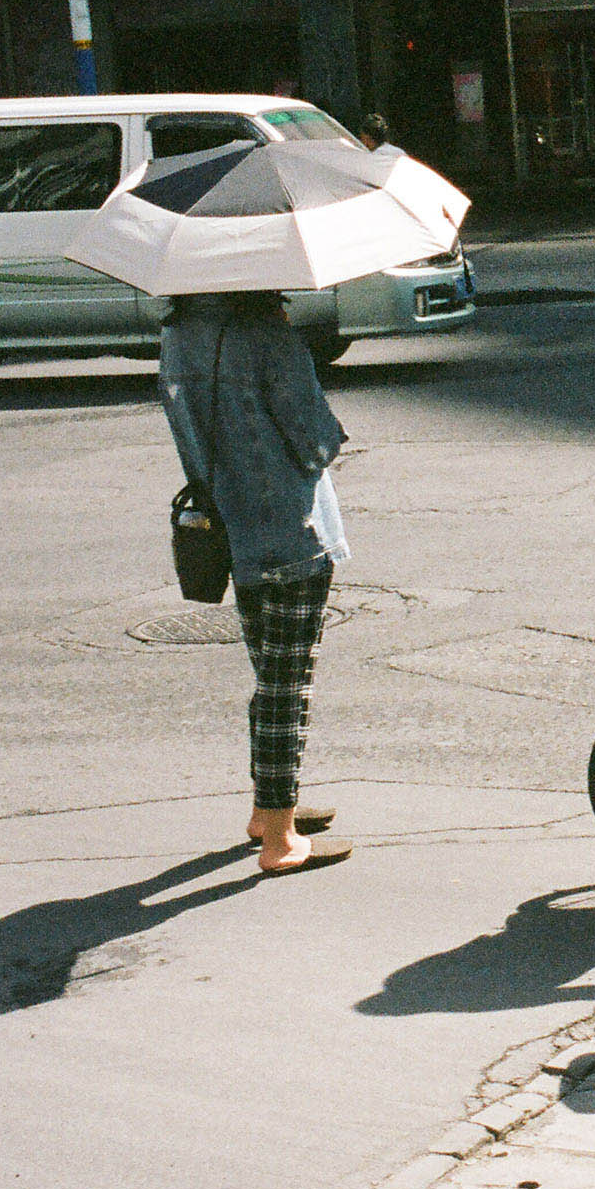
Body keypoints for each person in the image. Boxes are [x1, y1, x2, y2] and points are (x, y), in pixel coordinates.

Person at [159, 291, 356, 877]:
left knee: (268, 673)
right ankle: (280, 837)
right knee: (286, 687)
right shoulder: (270, 337)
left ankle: (266, 811)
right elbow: (317, 439)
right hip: (291, 530)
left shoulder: (176, 337)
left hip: (231, 526)